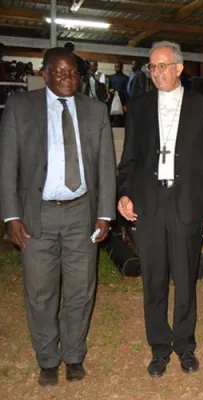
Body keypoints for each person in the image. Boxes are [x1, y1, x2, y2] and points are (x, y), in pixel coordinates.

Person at [0, 47, 116, 386]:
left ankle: (74, 355)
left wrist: (105, 213)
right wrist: (11, 216)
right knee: (40, 292)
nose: (67, 78)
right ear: (45, 73)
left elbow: (105, 167)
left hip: (82, 212)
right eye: (60, 72)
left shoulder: (95, 111)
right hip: (37, 215)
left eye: (73, 73)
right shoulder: (22, 108)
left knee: (81, 289)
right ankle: (48, 358)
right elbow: (7, 166)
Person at [117, 41, 203, 378]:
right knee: (154, 280)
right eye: (152, 67)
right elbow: (129, 159)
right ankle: (159, 348)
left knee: (185, 279)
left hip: (187, 202)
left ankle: (185, 346)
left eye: (163, 66)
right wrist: (125, 193)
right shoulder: (141, 105)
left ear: (179, 68)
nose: (157, 73)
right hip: (149, 204)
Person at [108, 61, 129, 126]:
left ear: (121, 67)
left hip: (122, 101)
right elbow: (109, 88)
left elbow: (127, 90)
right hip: (112, 100)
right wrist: (112, 92)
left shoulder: (126, 78)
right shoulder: (111, 77)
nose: (117, 68)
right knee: (111, 119)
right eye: (116, 67)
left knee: (121, 121)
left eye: (118, 67)